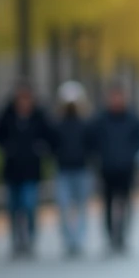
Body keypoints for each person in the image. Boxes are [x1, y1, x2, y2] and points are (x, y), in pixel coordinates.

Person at [0, 80, 55, 259]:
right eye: (21, 97)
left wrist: (41, 149)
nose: (24, 101)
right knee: (13, 207)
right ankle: (16, 239)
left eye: (27, 98)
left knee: (29, 205)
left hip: (31, 170)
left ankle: (30, 237)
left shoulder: (39, 116)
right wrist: (7, 148)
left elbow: (50, 137)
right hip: (12, 170)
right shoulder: (7, 115)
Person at [88, 84, 139, 254]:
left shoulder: (132, 119)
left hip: (126, 169)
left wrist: (129, 156)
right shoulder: (100, 119)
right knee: (107, 204)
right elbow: (93, 141)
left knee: (125, 203)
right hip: (107, 169)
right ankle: (110, 235)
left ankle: (122, 235)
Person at [53, 80, 93, 258]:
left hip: (82, 170)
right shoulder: (57, 126)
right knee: (63, 207)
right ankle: (68, 240)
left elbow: (92, 146)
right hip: (63, 171)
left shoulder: (86, 125)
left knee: (82, 207)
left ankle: (79, 240)